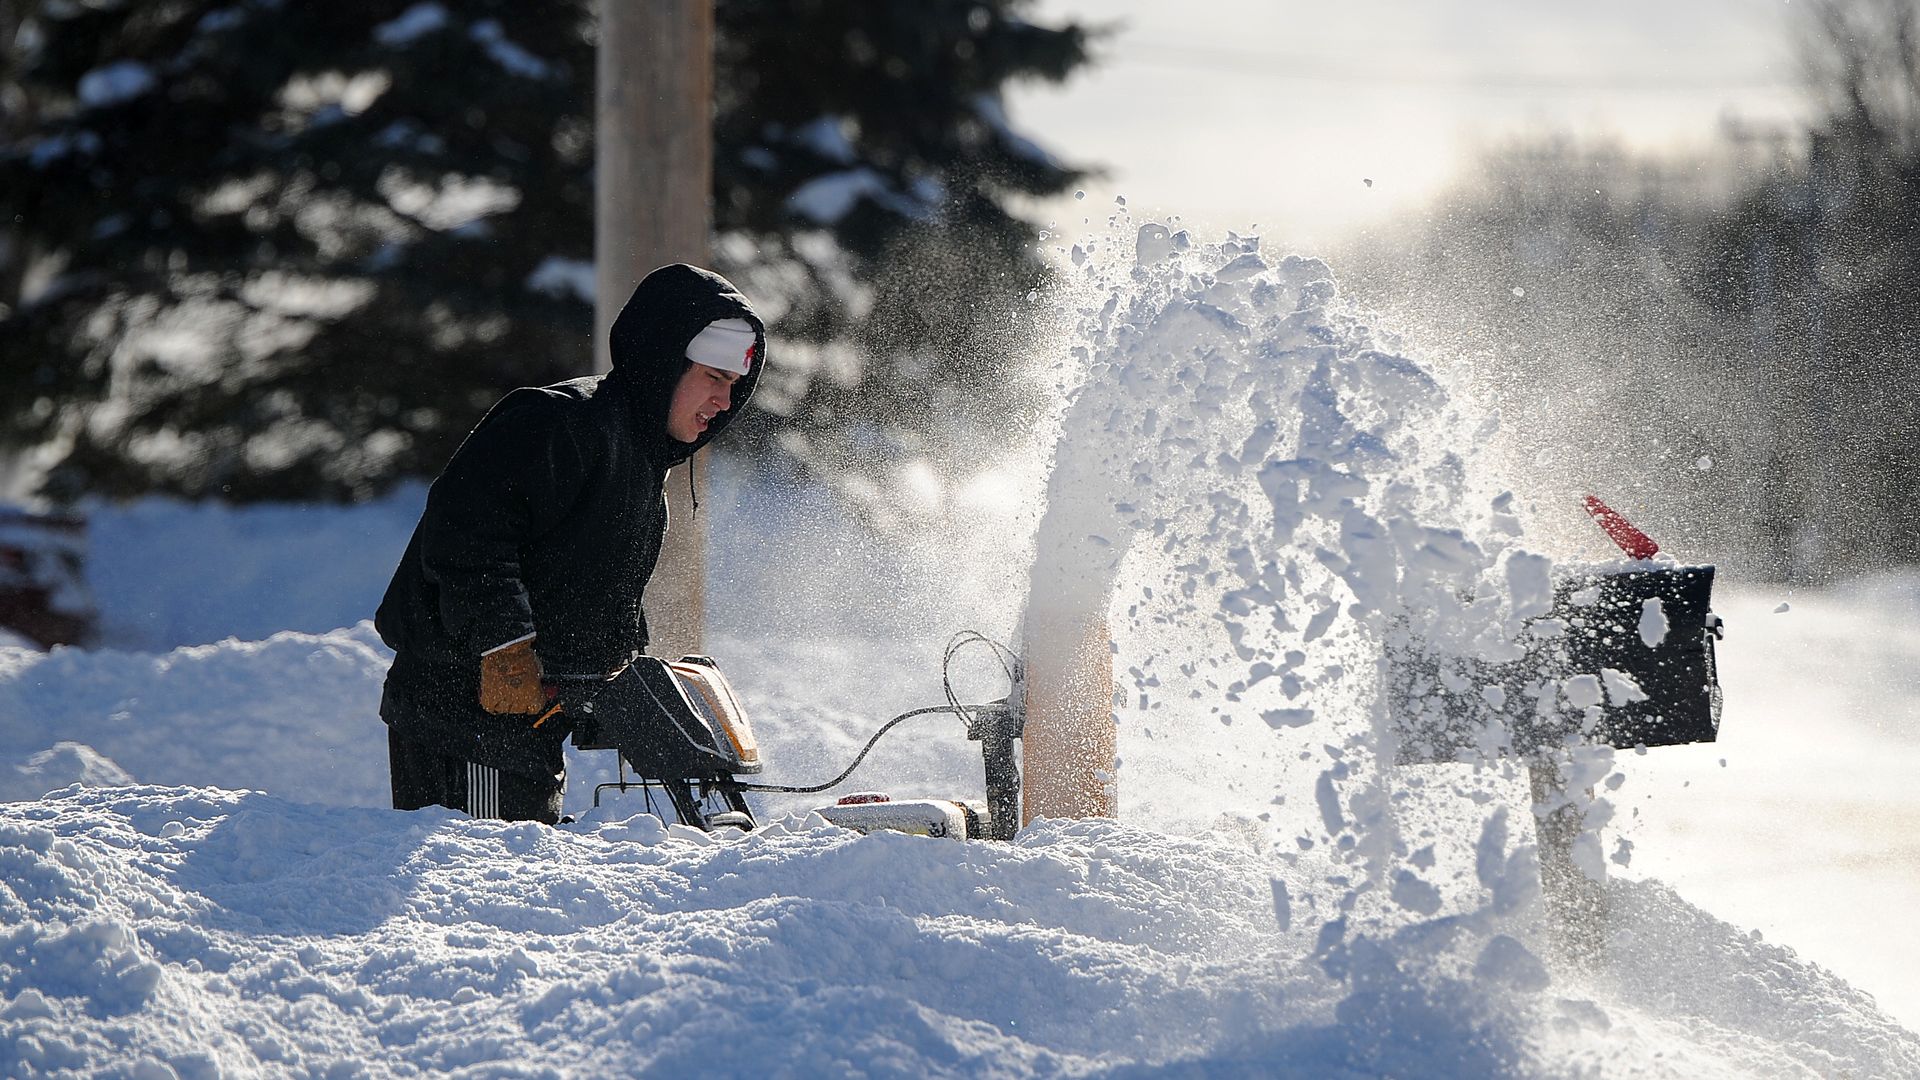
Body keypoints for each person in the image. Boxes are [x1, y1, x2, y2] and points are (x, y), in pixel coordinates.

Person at [374, 263, 764, 824]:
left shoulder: (641, 465)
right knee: (481, 879)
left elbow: (591, 594)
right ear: (664, 362)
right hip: (464, 720)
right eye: (714, 378)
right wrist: (505, 646)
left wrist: (625, 688)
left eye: (734, 386)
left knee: (510, 883)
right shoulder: (559, 423)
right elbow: (465, 534)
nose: (724, 403)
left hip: (526, 731)